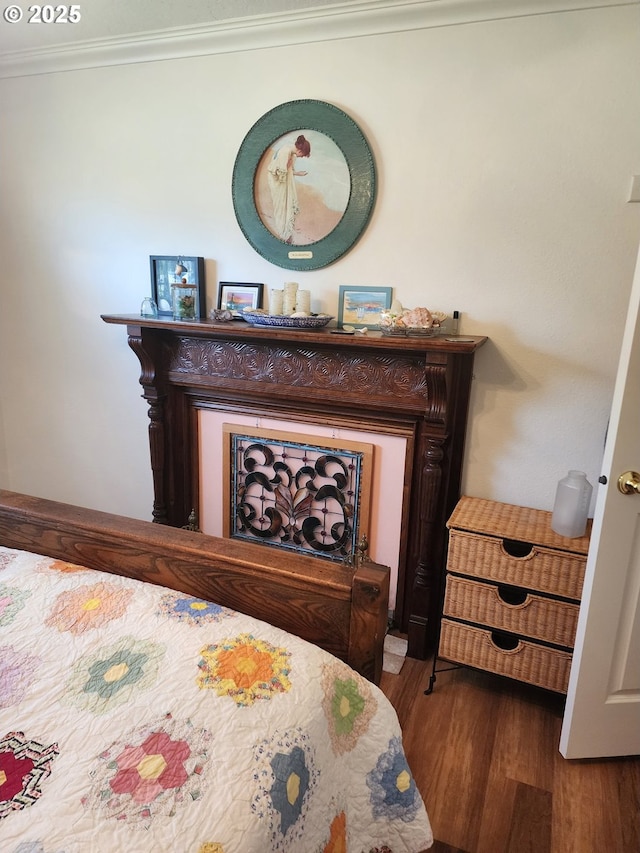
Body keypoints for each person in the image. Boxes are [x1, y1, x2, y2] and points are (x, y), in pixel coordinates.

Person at [267, 134, 311, 243]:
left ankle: (286, 233)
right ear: (300, 151)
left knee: (286, 205)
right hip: (277, 183)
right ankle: (283, 234)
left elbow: (286, 171)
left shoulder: (291, 154)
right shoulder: (285, 152)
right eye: (303, 155)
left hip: (282, 181)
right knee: (281, 207)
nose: (301, 157)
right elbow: (280, 173)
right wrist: (287, 170)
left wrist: (298, 173)